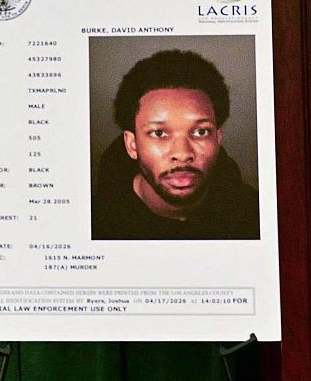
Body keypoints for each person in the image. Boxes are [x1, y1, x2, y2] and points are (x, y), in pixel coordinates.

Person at [91, 49, 260, 240]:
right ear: (132, 145)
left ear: (218, 139)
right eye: (159, 133)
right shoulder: (92, 224)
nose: (182, 153)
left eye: (201, 132)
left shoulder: (257, 216)